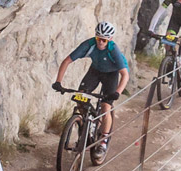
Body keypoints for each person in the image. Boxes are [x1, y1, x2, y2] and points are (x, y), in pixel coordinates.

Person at [52, 22, 132, 160]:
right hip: (95, 71)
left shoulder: (113, 50)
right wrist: (58, 82)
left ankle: (103, 142)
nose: (100, 42)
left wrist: (117, 92)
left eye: (104, 40)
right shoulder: (89, 44)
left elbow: (125, 75)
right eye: (98, 38)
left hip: (111, 74)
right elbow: (66, 61)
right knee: (80, 97)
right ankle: (84, 125)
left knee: (105, 107)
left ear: (110, 39)